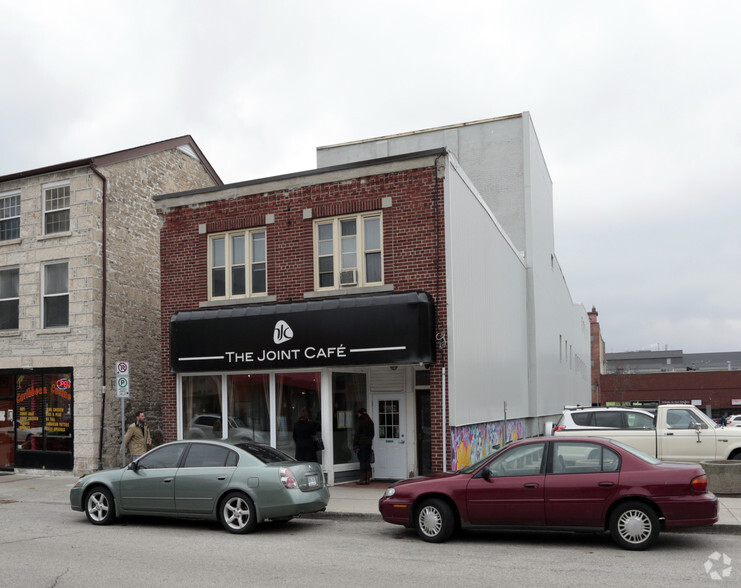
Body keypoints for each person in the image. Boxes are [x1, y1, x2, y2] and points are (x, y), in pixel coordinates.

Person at [353, 407, 375, 485]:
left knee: (362, 461)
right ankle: (367, 479)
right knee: (367, 461)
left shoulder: (360, 422)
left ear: (360, 414)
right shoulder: (370, 422)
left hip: (361, 444)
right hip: (368, 444)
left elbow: (357, 435)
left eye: (358, 414)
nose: (358, 415)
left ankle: (362, 480)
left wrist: (355, 445)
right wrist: (369, 440)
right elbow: (373, 434)